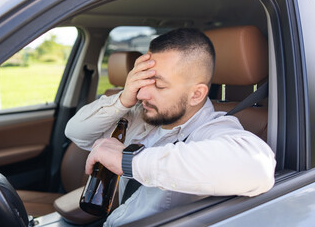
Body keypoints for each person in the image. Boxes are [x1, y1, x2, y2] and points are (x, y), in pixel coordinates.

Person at [65, 28, 276, 226]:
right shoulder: (140, 115)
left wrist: (130, 161)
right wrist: (122, 100)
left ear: (196, 95)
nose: (142, 94)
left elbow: (258, 168)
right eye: (144, 80)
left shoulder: (211, 130)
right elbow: (77, 132)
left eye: (159, 85)